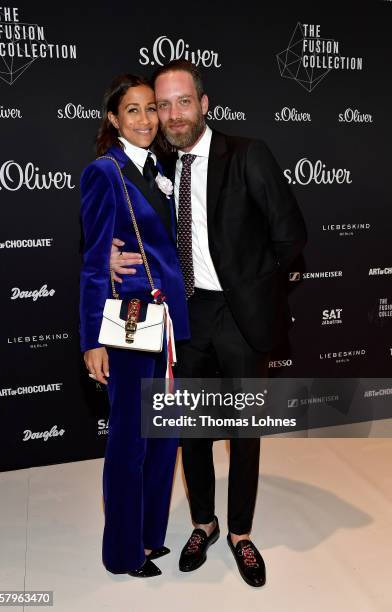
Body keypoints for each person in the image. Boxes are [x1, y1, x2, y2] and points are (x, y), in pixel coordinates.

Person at [110, 60, 307, 587]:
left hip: (240, 318)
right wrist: (108, 256)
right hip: (185, 315)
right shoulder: (158, 166)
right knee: (191, 431)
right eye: (162, 105)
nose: (172, 115)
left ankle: (241, 533)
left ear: (204, 104)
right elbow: (131, 230)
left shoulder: (247, 154)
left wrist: (252, 290)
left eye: (182, 102)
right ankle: (205, 523)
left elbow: (291, 238)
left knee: (244, 432)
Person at [79, 73, 189, 578]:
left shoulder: (165, 168)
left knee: (163, 436)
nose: (146, 120)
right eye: (133, 111)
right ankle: (122, 552)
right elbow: (91, 262)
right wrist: (91, 341)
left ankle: (149, 535)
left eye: (151, 109)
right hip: (127, 325)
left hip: (168, 325)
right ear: (113, 119)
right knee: (129, 440)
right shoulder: (105, 172)